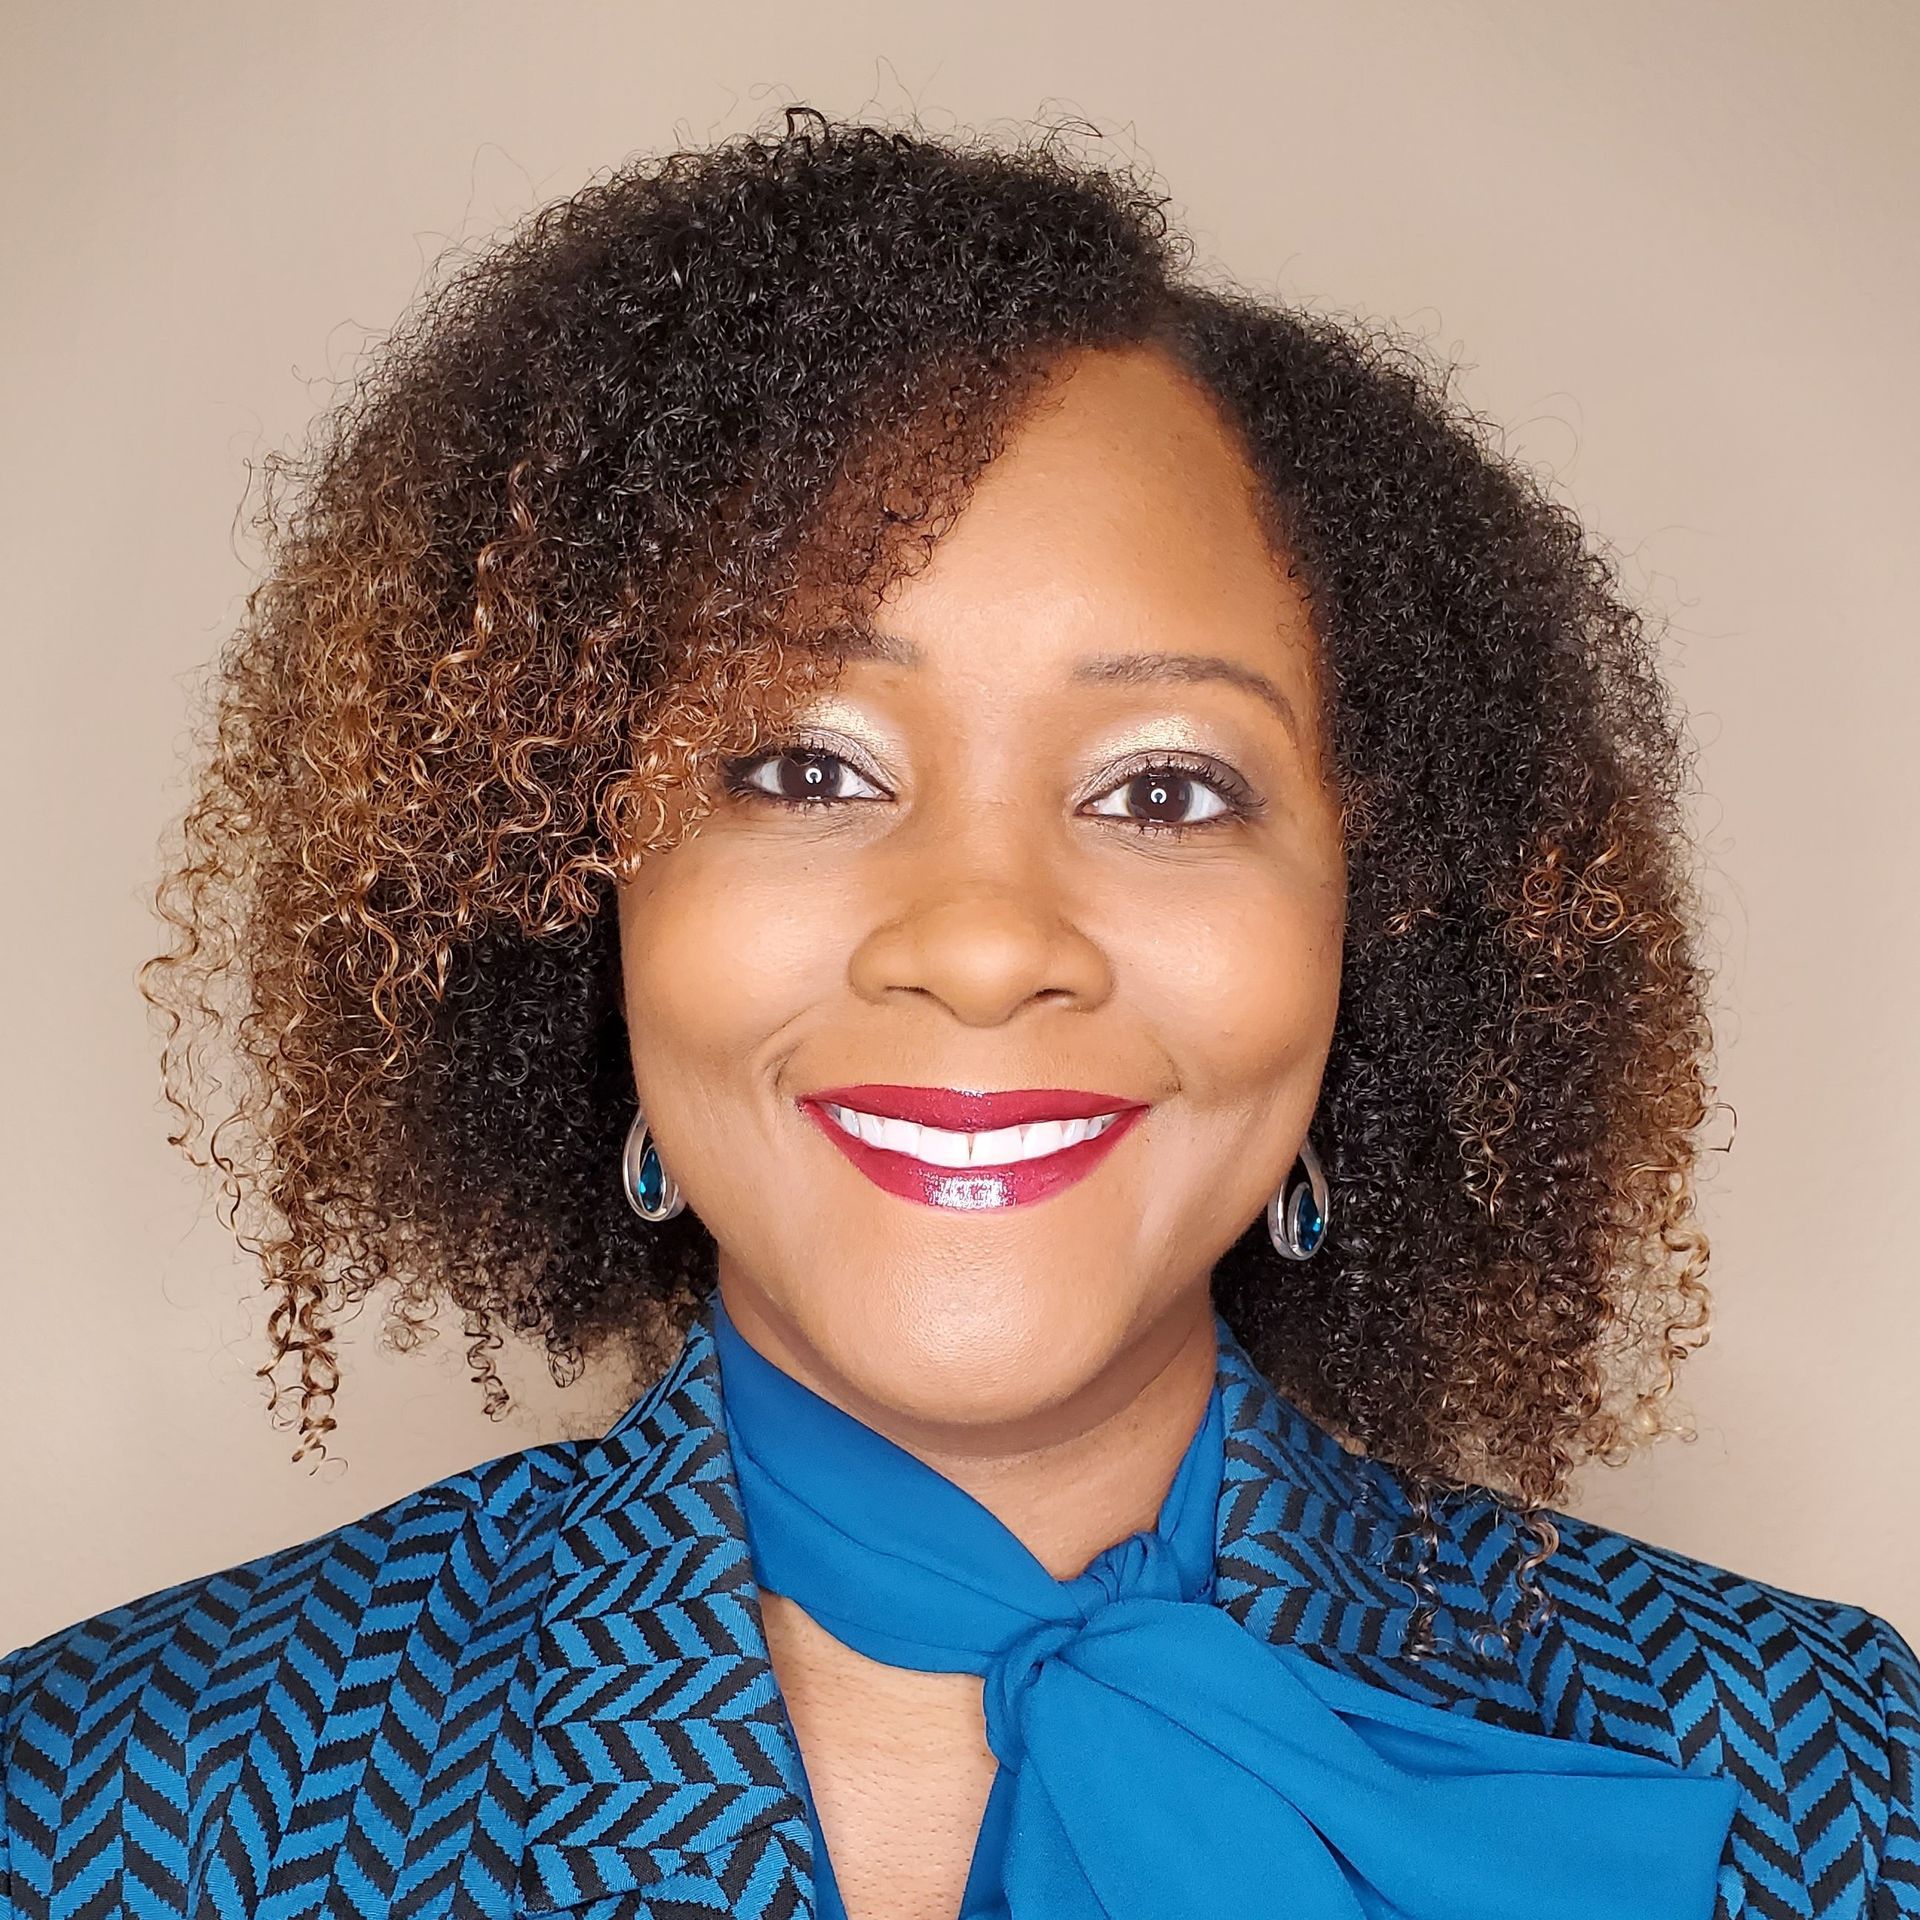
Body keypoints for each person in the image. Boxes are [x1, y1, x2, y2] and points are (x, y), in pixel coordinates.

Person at [2, 109, 1914, 1920]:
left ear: (1376, 935)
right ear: (582, 900)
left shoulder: (1841, 1774)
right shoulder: (100, 1806)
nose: (987, 946)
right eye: (802, 771)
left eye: (1167, 788)